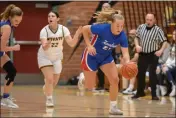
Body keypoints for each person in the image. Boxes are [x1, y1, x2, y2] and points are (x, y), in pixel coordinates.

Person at [81, 9, 130, 115]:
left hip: (105, 57)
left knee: (115, 80)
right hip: (92, 56)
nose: (120, 28)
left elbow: (125, 53)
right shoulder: (102, 28)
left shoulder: (122, 36)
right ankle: (82, 79)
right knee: (90, 86)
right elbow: (84, 29)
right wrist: (89, 45)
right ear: (111, 23)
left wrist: (128, 62)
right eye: (117, 25)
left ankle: (113, 107)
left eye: (122, 26)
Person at [37, 11, 82, 107]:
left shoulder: (63, 29)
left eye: (52, 16)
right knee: (49, 79)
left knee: (53, 82)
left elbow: (71, 43)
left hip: (57, 57)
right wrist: (47, 44)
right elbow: (44, 47)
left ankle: (47, 88)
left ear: (57, 19)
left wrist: (77, 34)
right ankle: (49, 99)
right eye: (49, 16)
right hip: (44, 57)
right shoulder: (44, 30)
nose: (50, 18)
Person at [132, 13, 167, 100]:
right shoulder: (141, 27)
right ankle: (140, 92)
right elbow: (136, 37)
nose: (148, 22)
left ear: (154, 20)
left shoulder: (158, 30)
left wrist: (161, 50)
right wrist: (137, 45)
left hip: (153, 54)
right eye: (147, 19)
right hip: (143, 54)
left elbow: (164, 41)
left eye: (150, 20)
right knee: (140, 73)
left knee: (152, 74)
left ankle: (154, 94)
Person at [0, 4, 23, 108]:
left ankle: (5, 97)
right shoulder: (7, 27)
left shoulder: (6, 22)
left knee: (11, 71)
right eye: (16, 21)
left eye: (19, 21)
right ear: (10, 17)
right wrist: (14, 48)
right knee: (11, 71)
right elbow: (2, 48)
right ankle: (5, 98)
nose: (17, 23)